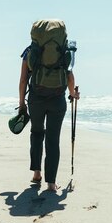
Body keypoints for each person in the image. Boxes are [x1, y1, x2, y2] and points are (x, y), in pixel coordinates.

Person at [18, 19, 79, 192]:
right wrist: (73, 93)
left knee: (37, 133)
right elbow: (69, 75)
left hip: (36, 99)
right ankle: (51, 183)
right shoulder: (63, 51)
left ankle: (37, 173)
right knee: (53, 139)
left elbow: (23, 80)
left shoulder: (31, 52)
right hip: (57, 100)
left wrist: (22, 103)